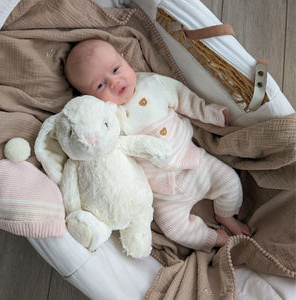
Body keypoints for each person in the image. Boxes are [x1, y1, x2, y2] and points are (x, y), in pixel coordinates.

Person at [64, 39, 251, 252]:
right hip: (162, 191)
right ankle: (213, 238)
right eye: (100, 85)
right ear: (88, 97)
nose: (115, 82)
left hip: (195, 163)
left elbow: (183, 98)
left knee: (230, 182)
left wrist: (210, 113)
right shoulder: (107, 118)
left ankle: (225, 215)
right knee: (173, 229)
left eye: (116, 69)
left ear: (124, 60)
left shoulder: (153, 84)